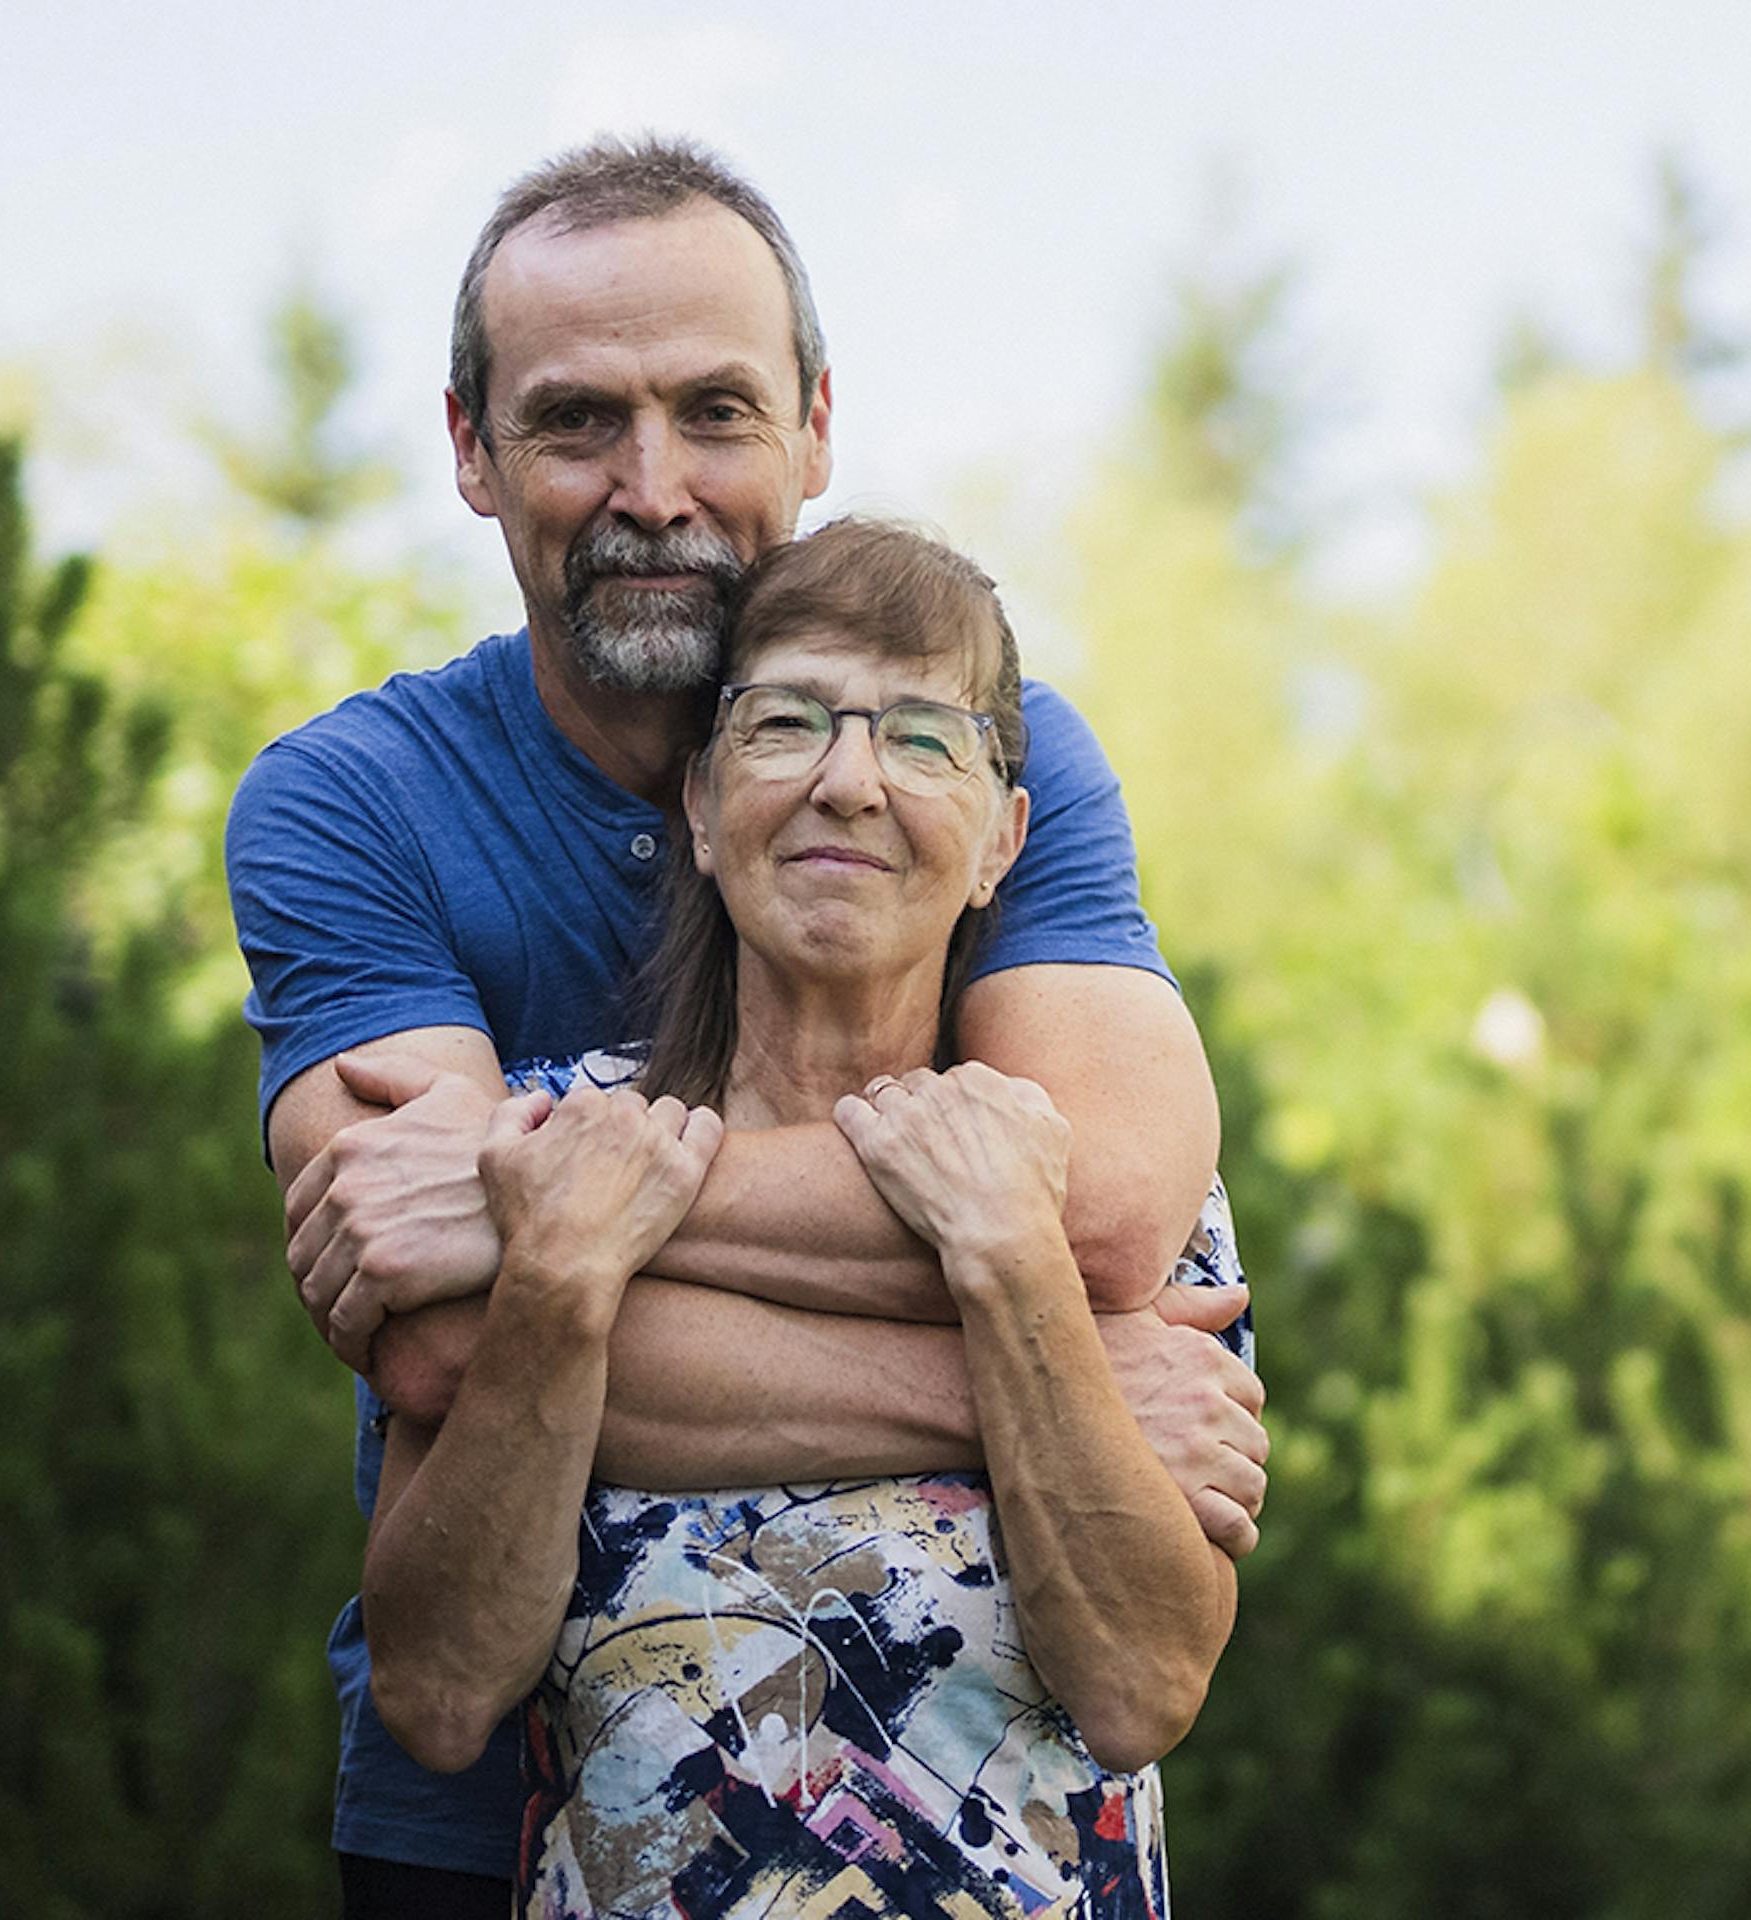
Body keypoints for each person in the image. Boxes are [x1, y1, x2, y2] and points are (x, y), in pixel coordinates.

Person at [226, 136, 1267, 1917]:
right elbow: (448, 1355)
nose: (655, 485)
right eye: (574, 422)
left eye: (716, 408)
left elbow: (1099, 1220)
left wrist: (545, 1208)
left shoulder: (999, 746)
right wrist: (1049, 1396)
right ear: (471, 449)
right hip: (494, 1826)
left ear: (814, 425)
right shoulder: (354, 800)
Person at [364, 520, 1239, 1919]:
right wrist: (560, 1285)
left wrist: (1014, 1268)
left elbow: (1141, 1687)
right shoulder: (545, 1146)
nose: (849, 781)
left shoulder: (1077, 1178)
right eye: (787, 724)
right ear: (703, 812)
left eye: (922, 738)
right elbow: (437, 1693)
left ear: (1003, 840)